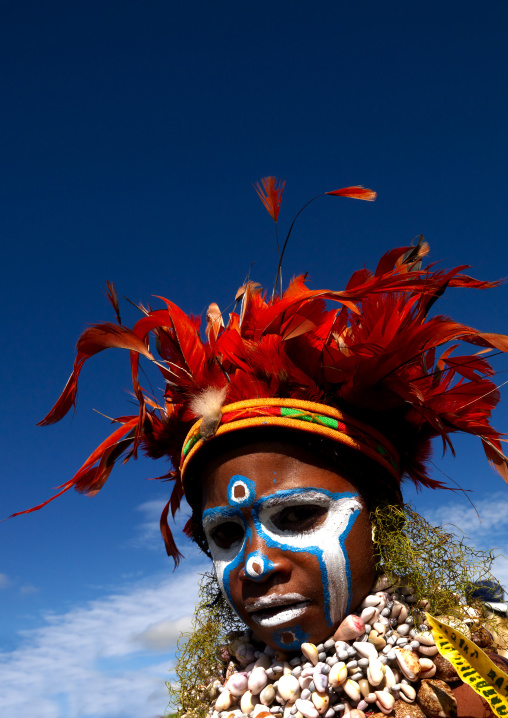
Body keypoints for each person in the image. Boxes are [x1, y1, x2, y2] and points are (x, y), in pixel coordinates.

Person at [15, 178, 508, 717]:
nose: (254, 565)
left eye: (297, 516)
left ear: (383, 521)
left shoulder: (481, 683)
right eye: (224, 533)